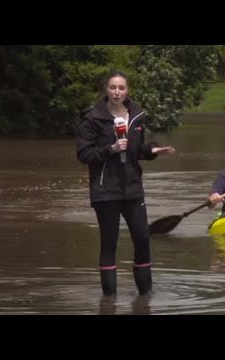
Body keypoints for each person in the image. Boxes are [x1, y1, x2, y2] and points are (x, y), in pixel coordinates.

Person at [76, 70, 175, 296]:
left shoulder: (136, 116)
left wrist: (151, 150)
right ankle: (109, 301)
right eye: (113, 87)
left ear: (127, 90)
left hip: (132, 189)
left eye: (121, 88)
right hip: (105, 191)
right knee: (109, 244)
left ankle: (145, 297)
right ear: (106, 90)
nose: (117, 92)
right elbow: (84, 154)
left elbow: (136, 151)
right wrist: (110, 149)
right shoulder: (93, 119)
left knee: (142, 238)